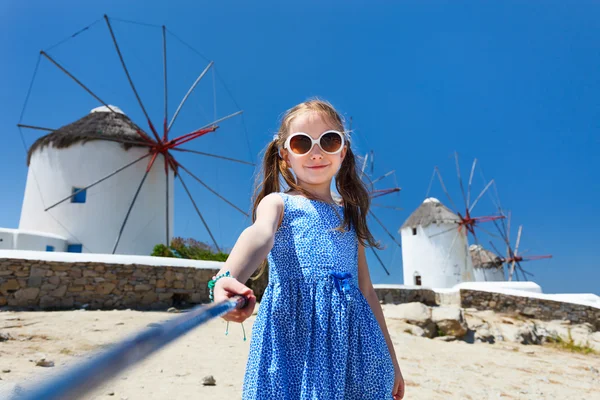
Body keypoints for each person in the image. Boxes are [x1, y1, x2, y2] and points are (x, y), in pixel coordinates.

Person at [210, 98, 405, 399]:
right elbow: (259, 235)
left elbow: (366, 291)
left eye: (328, 140)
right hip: (293, 342)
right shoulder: (279, 203)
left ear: (342, 152)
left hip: (351, 348)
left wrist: (392, 361)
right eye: (302, 143)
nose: (316, 152)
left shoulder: (350, 217)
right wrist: (227, 277)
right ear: (285, 155)